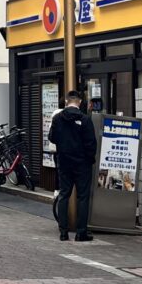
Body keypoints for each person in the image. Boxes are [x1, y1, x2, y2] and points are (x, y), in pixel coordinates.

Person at [48, 90, 98, 242]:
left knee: (64, 195)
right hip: (82, 164)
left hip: (64, 161)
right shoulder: (85, 119)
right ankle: (81, 233)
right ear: (80, 102)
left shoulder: (57, 118)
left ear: (66, 101)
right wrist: (89, 159)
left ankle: (63, 232)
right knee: (83, 197)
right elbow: (91, 143)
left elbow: (52, 137)